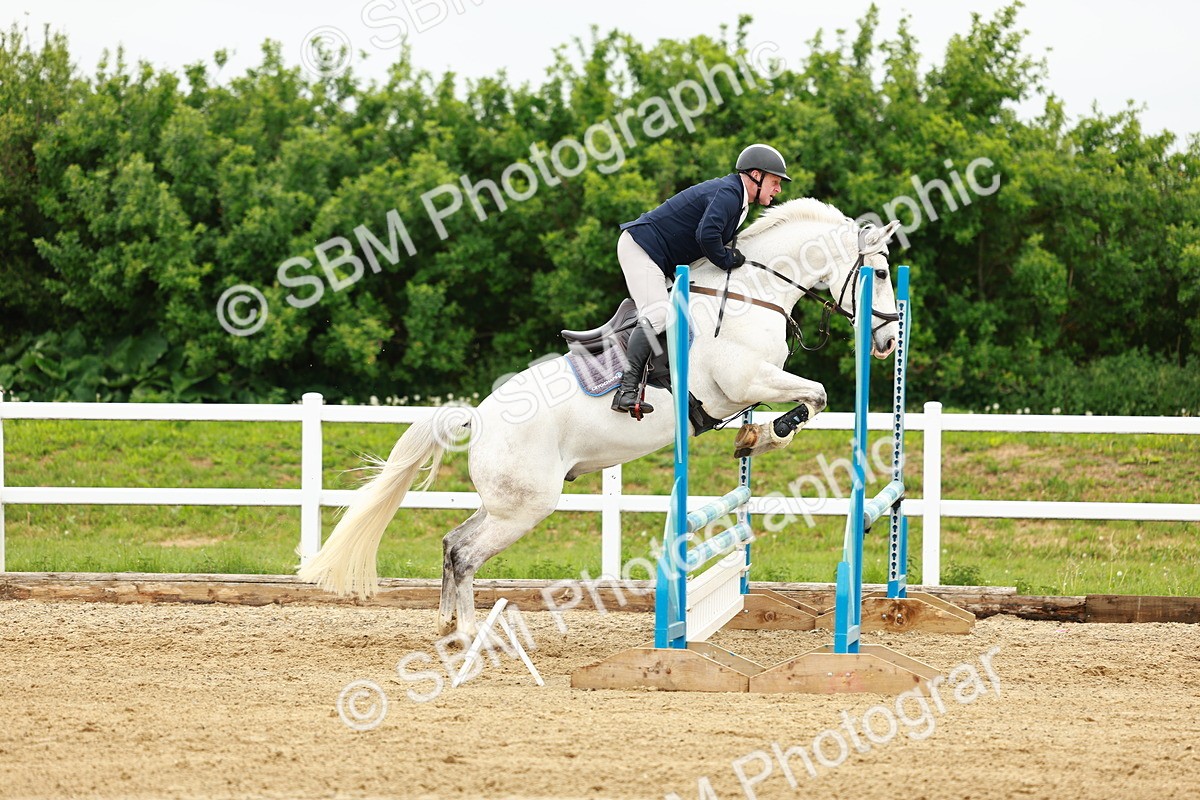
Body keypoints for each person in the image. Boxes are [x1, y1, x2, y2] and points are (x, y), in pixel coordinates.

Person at [611, 143, 791, 415]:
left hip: (660, 258)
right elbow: (706, 235)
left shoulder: (738, 200)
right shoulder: (729, 194)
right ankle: (626, 390)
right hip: (641, 248)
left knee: (690, 312)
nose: (778, 189)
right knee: (658, 314)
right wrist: (728, 259)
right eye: (775, 182)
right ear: (756, 175)